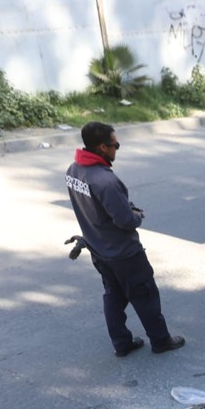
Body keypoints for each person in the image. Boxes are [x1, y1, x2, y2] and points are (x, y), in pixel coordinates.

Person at [65, 123, 185, 357]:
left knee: (113, 295)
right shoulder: (105, 181)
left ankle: (121, 343)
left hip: (99, 249)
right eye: (115, 145)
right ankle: (161, 340)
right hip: (124, 253)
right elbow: (125, 220)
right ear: (102, 147)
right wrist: (137, 214)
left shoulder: (73, 170)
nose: (117, 149)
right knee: (145, 295)